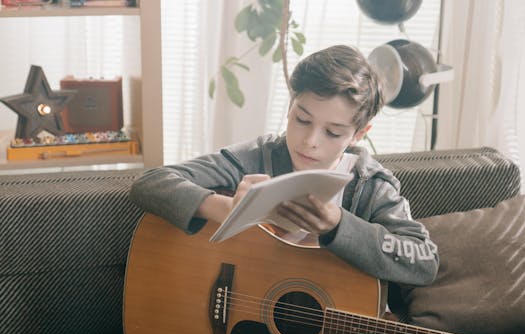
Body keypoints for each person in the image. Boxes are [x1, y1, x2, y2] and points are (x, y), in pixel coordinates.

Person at [129, 44, 438, 298]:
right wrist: (228, 210)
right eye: (302, 119)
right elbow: (151, 182)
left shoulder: (370, 185)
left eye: (333, 132)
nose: (310, 141)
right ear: (291, 105)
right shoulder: (256, 158)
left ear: (359, 133)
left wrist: (339, 226)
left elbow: (425, 262)